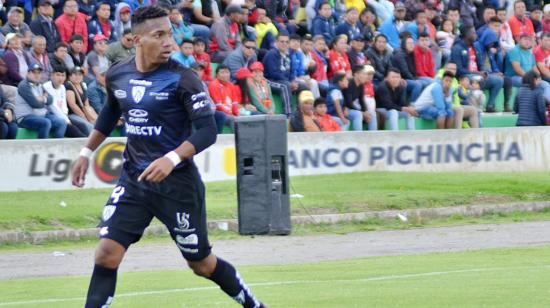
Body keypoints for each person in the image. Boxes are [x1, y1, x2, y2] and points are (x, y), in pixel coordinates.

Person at [70, 7, 265, 308]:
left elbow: (207, 131)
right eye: (158, 35)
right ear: (136, 40)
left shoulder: (183, 78)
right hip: (135, 181)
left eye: (170, 34)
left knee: (201, 264)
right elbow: (111, 112)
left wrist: (171, 159)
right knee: (106, 253)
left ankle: (254, 305)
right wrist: (86, 152)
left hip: (178, 185)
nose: (169, 42)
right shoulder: (118, 74)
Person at [451, 25, 504, 113]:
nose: (476, 35)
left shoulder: (475, 47)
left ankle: (490, 105)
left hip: (477, 75)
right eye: (473, 33)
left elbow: (481, 64)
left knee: (498, 80)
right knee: (478, 78)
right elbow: (459, 70)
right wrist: (477, 73)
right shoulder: (457, 48)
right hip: (465, 77)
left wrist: (488, 72)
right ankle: (474, 106)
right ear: (466, 34)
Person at [14, 63, 67, 139]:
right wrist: (41, 100)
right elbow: (35, 104)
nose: (37, 75)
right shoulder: (24, 85)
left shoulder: (40, 85)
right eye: (34, 72)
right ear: (28, 73)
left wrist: (43, 99)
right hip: (25, 117)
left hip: (41, 115)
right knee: (46, 123)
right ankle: (42, 148)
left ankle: (56, 147)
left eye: (39, 73)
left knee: (62, 122)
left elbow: (51, 99)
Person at [43, 65, 89, 137]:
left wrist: (65, 115)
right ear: (51, 76)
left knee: (83, 126)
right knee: (74, 130)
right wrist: (67, 120)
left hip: (62, 116)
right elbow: (53, 107)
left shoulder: (62, 87)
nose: (60, 78)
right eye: (58, 75)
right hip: (50, 115)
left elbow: (64, 105)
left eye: (63, 75)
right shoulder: (46, 87)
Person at [505, 33, 550, 103]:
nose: (527, 41)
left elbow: (534, 68)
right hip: (514, 77)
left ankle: (545, 104)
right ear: (519, 40)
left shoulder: (530, 52)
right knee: (531, 83)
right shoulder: (515, 50)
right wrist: (530, 79)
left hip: (529, 78)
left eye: (530, 40)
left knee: (545, 85)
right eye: (525, 39)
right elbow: (517, 69)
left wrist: (538, 77)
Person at [208, 64, 240, 131]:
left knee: (247, 116)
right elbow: (218, 106)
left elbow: (234, 103)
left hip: (230, 113)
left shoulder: (231, 85)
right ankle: (236, 139)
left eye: (227, 72)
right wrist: (231, 115)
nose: (225, 74)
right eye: (222, 72)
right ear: (217, 75)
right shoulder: (213, 85)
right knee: (233, 120)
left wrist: (237, 114)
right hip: (221, 113)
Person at [65, 66, 95, 135]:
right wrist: (85, 117)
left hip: (83, 113)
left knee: (97, 125)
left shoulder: (82, 85)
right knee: (89, 126)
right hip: (72, 114)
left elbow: (87, 104)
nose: (78, 76)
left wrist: (90, 116)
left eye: (80, 74)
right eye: (75, 74)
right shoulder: (69, 86)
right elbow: (72, 105)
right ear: (70, 76)